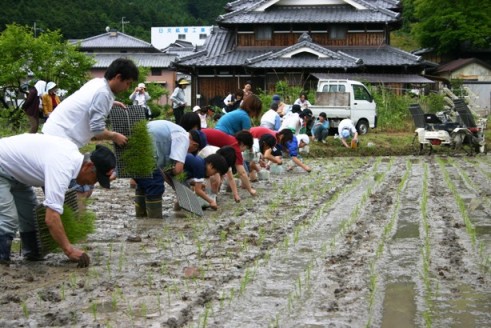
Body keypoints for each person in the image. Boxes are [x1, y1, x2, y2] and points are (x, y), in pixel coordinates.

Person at [0, 133, 116, 267]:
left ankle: (32, 255)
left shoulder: (72, 157)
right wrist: (69, 250)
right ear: (88, 167)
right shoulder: (62, 168)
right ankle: (2, 264)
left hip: (17, 174)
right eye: (95, 179)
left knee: (31, 218)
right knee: (8, 218)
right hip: (2, 165)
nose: (92, 183)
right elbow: (51, 218)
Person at [42, 58, 139, 148]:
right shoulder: (103, 94)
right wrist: (114, 136)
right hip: (61, 138)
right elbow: (97, 130)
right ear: (118, 77)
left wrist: (110, 103)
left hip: (53, 130)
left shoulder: (97, 82)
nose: (127, 88)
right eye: (128, 83)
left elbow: (89, 100)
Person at [133, 120, 207, 219]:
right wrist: (178, 184)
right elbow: (178, 170)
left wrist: (174, 185)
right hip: (147, 145)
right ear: (195, 145)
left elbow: (163, 171)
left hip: (135, 142)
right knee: (156, 185)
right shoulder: (184, 138)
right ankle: (154, 223)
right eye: (190, 151)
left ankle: (141, 218)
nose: (187, 153)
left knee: (144, 182)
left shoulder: (175, 132)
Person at [202, 129, 256, 199]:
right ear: (242, 144)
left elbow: (230, 175)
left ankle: (210, 196)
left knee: (215, 176)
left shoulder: (232, 142)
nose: (243, 151)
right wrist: (250, 190)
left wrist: (235, 194)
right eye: (246, 148)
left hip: (204, 140)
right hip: (200, 141)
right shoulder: (235, 148)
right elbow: (242, 173)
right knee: (213, 178)